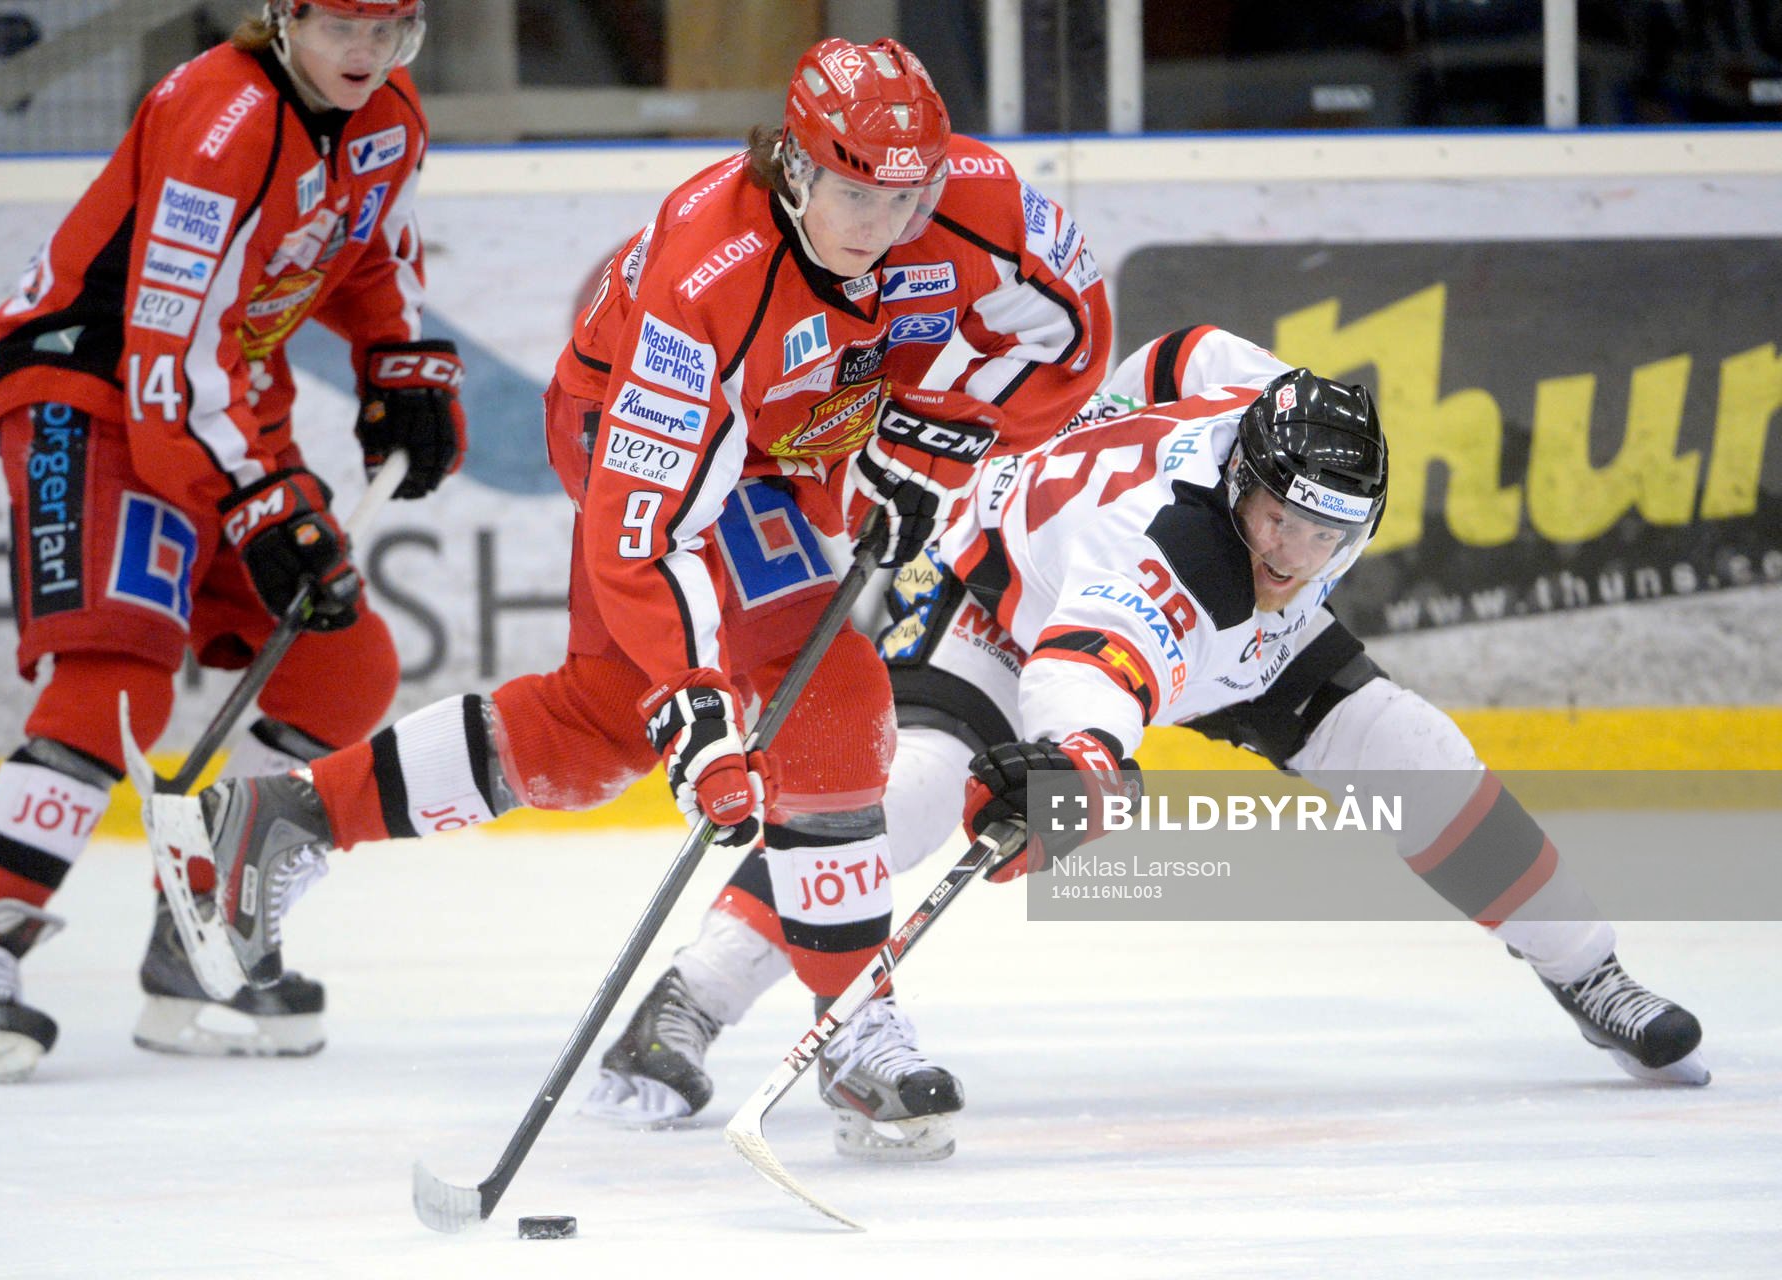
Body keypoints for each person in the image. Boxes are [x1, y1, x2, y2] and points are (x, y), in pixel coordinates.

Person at [132, 34, 1111, 1157]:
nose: (884, 224)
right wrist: (697, 701)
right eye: (854, 192)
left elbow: (1071, 321)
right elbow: (646, 531)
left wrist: (955, 428)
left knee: (601, 722)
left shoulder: (980, 198)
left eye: (908, 195)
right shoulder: (703, 281)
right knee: (827, 686)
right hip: (642, 442)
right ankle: (858, 1028)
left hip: (792, 444)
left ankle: (290, 814)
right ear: (794, 165)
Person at [589, 323, 1708, 1132]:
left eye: (1326, 536)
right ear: (1242, 484)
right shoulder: (1164, 563)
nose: (1292, 559)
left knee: (1416, 754)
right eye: (1276, 521)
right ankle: (687, 1001)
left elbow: (1190, 353)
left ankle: (1590, 972)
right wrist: (1078, 764)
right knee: (918, 794)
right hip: (1005, 602)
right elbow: (1091, 668)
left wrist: (1103, 420)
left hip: (1195, 637)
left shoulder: (1269, 419)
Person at [0, 0, 467, 1083]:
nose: (368, 55)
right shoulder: (221, 115)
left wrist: (404, 362)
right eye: (344, 27)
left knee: (342, 663)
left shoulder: (388, 115)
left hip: (218, 400)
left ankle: (195, 931)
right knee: (119, 670)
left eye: (391, 30)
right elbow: (165, 347)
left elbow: (368, 257)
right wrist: (257, 498)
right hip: (96, 392)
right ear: (282, 16)